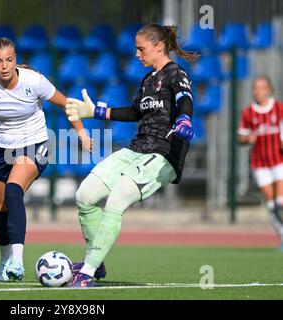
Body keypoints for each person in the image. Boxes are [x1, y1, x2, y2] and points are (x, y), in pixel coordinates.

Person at [64, 23, 198, 287]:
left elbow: (185, 97)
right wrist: (96, 112)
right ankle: (96, 261)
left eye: (141, 49)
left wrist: (185, 118)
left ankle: (86, 273)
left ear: (158, 46)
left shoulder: (176, 73)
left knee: (116, 201)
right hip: (137, 149)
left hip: (163, 154)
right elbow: (136, 112)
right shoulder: (148, 79)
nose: (137, 54)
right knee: (85, 196)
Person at [0, 37, 92, 281]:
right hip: (0, 150)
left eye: (9, 59)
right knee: (0, 209)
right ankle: (4, 260)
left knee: (13, 190)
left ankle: (17, 261)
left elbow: (66, 103)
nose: (4, 66)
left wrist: (80, 131)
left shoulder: (33, 80)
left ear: (15, 59)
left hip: (34, 145)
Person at [238, 76, 283, 251]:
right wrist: (248, 138)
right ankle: (281, 235)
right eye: (256, 88)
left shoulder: (279, 109)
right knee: (271, 204)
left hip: (279, 160)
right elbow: (240, 138)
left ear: (269, 89)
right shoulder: (249, 113)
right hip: (260, 163)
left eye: (262, 88)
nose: (259, 91)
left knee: (280, 200)